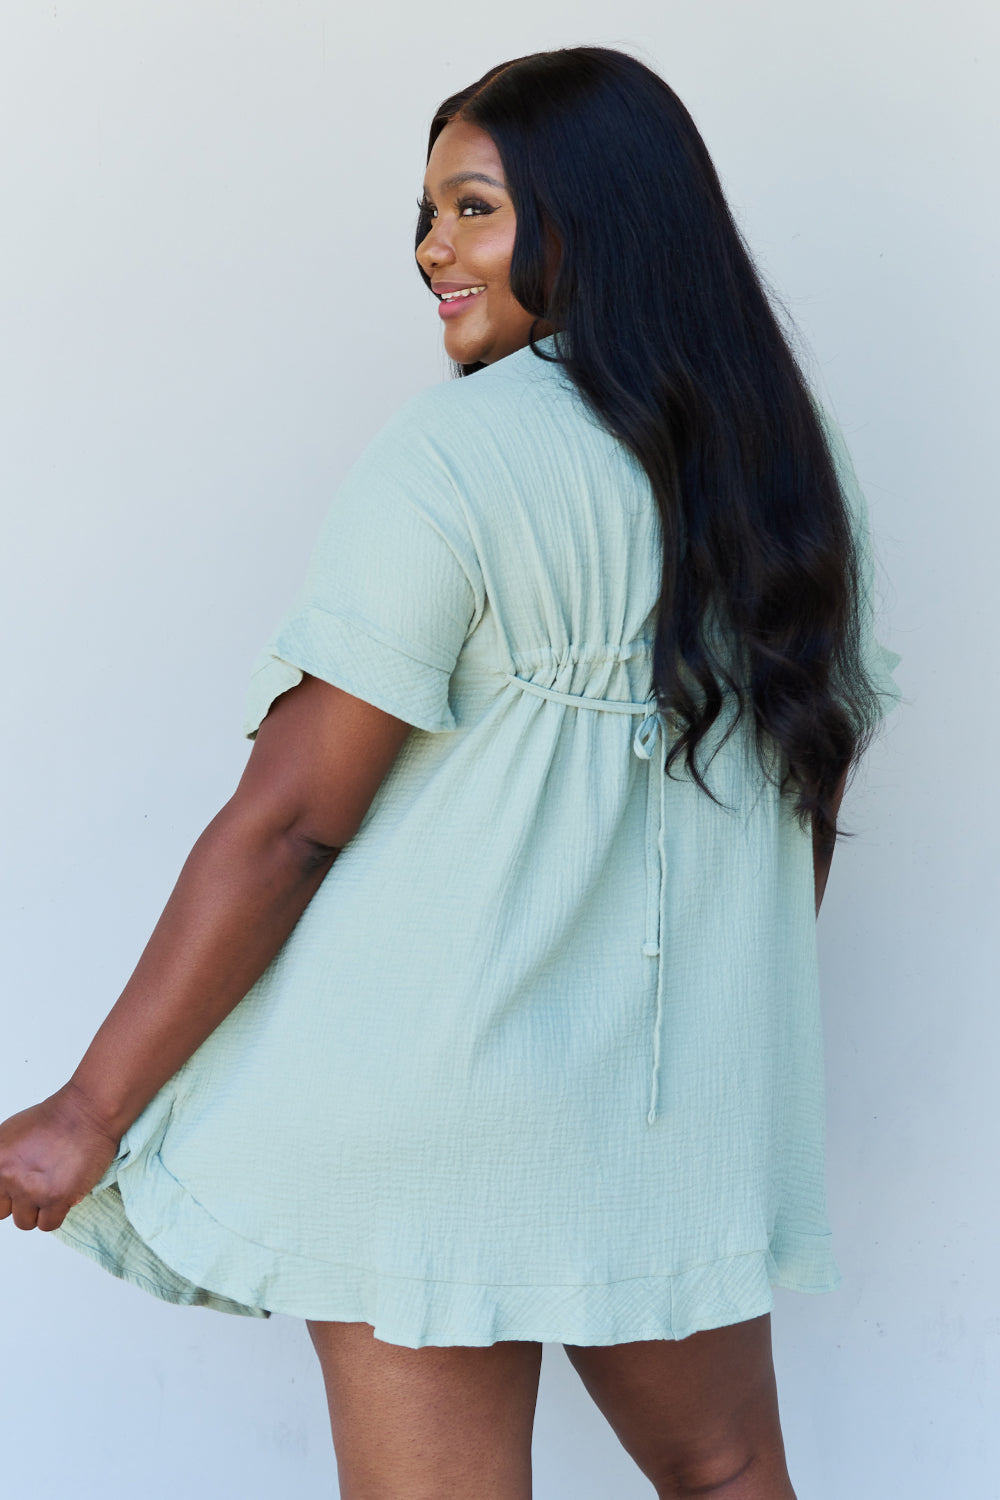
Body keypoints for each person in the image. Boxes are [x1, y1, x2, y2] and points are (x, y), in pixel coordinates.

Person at [0, 46, 902, 1500]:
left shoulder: (459, 459)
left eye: (473, 209)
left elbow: (292, 819)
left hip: (431, 1113)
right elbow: (804, 807)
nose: (432, 251)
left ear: (587, 218)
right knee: (730, 1470)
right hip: (671, 1116)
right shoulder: (790, 469)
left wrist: (88, 1111)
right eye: (427, 214)